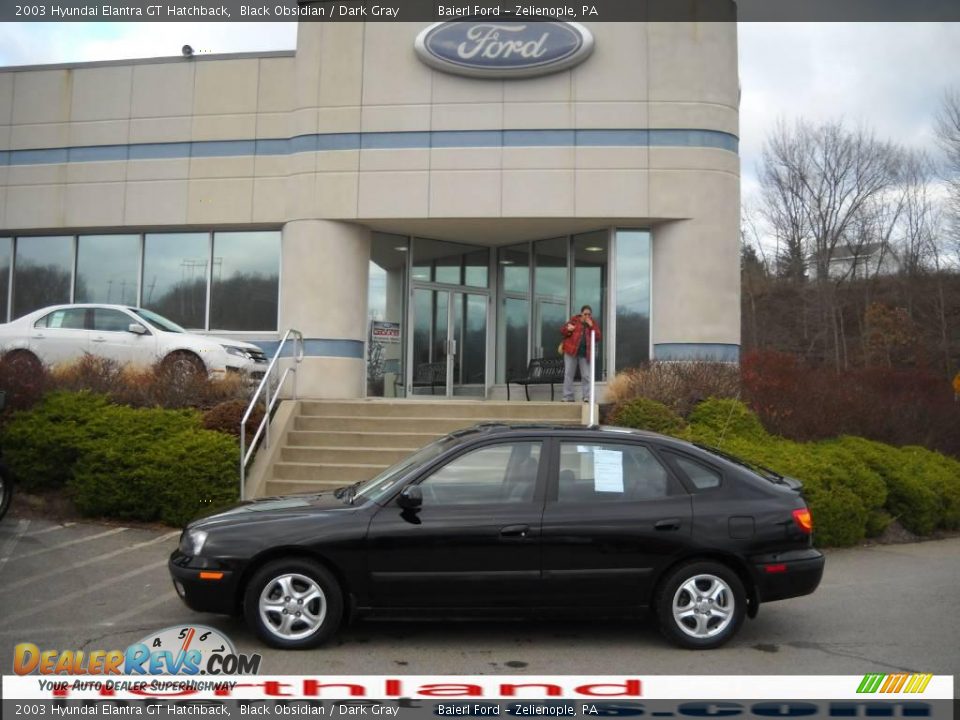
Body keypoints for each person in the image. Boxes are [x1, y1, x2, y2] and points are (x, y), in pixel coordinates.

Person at [560, 305, 602, 403]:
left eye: (589, 314)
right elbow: (562, 330)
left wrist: (591, 326)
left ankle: (587, 396)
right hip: (571, 352)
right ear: (581, 313)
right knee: (568, 374)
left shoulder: (592, 324)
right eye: (585, 314)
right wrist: (568, 329)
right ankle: (568, 396)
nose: (587, 316)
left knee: (586, 375)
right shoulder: (574, 320)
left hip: (585, 353)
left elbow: (598, 337)